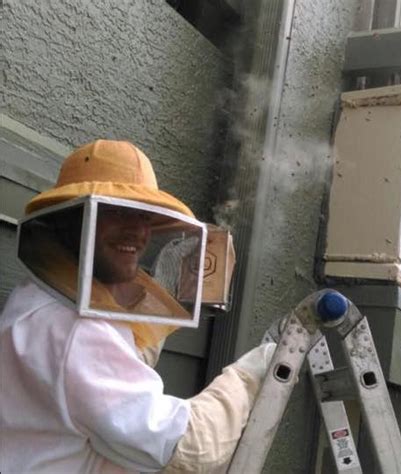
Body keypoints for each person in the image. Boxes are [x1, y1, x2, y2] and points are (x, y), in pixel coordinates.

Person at [0, 140, 275, 473]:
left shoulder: (36, 301)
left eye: (144, 215)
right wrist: (257, 371)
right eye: (117, 210)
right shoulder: (76, 331)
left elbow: (100, 377)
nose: (138, 230)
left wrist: (160, 303)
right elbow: (188, 447)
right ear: (71, 219)